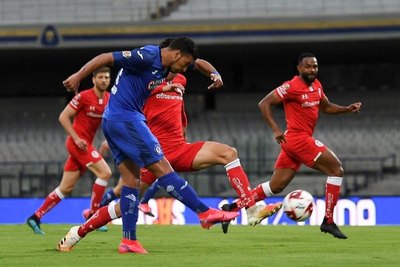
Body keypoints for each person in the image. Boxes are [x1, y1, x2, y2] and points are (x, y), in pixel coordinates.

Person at [59, 37, 240, 254]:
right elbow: (107, 57)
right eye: (184, 64)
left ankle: (121, 240)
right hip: (126, 118)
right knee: (163, 168)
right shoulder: (146, 56)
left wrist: (214, 74)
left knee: (130, 183)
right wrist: (79, 75)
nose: (184, 70)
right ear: (176, 54)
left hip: (115, 121)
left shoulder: (170, 64)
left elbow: (198, 63)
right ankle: (203, 212)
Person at [99, 71, 282, 219]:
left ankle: (251, 210)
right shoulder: (146, 81)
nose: (184, 65)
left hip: (179, 149)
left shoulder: (181, 80)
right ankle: (84, 228)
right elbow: (125, 109)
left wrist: (214, 73)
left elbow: (179, 109)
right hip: (154, 155)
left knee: (229, 153)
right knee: (126, 203)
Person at [222, 52, 362, 238]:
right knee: (336, 170)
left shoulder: (317, 86)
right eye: (308, 66)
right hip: (298, 139)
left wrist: (347, 109)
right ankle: (328, 221)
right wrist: (275, 129)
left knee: (275, 186)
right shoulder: (291, 86)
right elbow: (264, 103)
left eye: (315, 66)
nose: (312, 70)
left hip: (294, 143)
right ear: (299, 68)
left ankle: (231, 208)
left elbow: (326, 107)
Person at [26, 67, 112, 235]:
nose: (103, 80)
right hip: (77, 144)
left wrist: (108, 140)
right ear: (93, 80)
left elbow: (113, 121)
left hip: (86, 145)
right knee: (105, 173)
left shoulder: (109, 99)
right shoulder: (84, 96)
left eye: (107, 77)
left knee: (65, 187)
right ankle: (93, 215)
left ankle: (35, 217)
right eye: (100, 77)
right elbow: (63, 117)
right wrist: (76, 138)